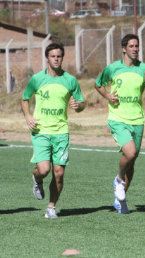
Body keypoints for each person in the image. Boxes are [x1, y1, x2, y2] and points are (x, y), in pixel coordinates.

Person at [95, 34, 145, 214]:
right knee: (130, 153)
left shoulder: (144, 68)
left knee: (131, 163)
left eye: (137, 46)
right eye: (131, 46)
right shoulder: (113, 68)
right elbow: (98, 84)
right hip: (118, 119)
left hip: (137, 120)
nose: (135, 49)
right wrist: (108, 95)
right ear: (124, 49)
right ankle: (118, 180)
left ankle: (120, 199)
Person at [21, 42, 85, 218]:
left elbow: (81, 104)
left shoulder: (70, 80)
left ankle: (51, 207)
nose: (56, 59)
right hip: (41, 131)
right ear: (47, 58)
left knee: (59, 173)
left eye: (59, 56)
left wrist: (78, 105)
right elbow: (24, 98)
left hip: (61, 132)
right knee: (43, 170)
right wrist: (28, 117)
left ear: (62, 58)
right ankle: (37, 179)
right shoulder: (36, 79)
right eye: (53, 56)